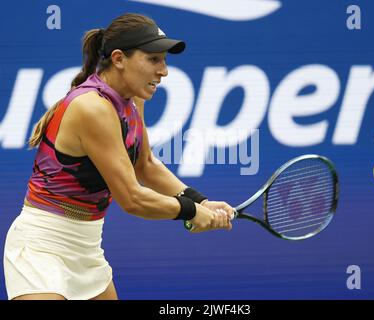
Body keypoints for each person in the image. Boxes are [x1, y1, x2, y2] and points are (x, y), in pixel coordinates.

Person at [3, 13, 233, 300]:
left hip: (87, 248)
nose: (164, 71)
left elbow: (145, 164)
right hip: (42, 247)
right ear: (119, 58)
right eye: (153, 59)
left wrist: (200, 200)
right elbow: (132, 199)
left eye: (164, 60)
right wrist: (189, 211)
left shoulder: (132, 99)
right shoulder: (92, 108)